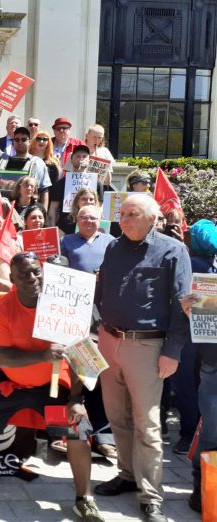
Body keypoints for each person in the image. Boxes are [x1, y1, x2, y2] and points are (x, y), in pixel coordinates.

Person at [0, 252, 104, 522]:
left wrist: (77, 398)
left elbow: (83, 355)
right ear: (12, 279)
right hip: (9, 382)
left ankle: (84, 499)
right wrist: (43, 356)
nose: (32, 278)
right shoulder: (2, 308)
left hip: (54, 385)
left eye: (36, 271)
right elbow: (0, 357)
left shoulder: (66, 305)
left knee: (78, 433)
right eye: (23, 274)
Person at [94, 195, 192, 522]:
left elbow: (183, 306)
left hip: (148, 349)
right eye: (121, 213)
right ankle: (127, 474)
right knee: (117, 417)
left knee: (147, 425)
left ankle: (151, 496)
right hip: (109, 342)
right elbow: (101, 290)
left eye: (131, 214)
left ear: (151, 218)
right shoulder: (112, 247)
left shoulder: (172, 250)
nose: (124, 219)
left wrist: (172, 351)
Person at [59, 205, 117, 459]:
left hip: (103, 315)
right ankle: (67, 433)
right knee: (74, 374)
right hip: (73, 313)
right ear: (76, 220)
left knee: (98, 372)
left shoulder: (112, 242)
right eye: (84, 217)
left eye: (93, 217)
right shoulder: (66, 241)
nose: (89, 221)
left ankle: (103, 436)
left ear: (100, 219)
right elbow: (58, 270)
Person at [179, 219, 217, 513]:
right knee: (212, 430)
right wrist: (191, 308)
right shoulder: (207, 272)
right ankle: (202, 489)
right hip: (213, 361)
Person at [0, 123, 52, 208]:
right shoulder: (4, 159)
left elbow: (44, 190)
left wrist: (43, 213)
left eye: (23, 139)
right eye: (17, 139)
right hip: (5, 207)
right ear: (13, 142)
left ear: (29, 141)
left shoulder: (38, 162)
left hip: (28, 210)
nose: (20, 142)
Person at [47, 145, 103, 233]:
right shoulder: (61, 183)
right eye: (78, 156)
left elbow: (100, 207)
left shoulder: (97, 183)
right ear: (72, 160)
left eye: (84, 156)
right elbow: (53, 209)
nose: (81, 159)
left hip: (90, 229)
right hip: (65, 230)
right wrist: (54, 231)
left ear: (89, 160)